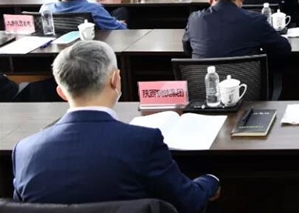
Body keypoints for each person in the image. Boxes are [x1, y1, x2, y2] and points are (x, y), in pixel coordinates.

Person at [11, 41, 220, 212]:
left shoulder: (24, 151)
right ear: (115, 79)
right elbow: (189, 202)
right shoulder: (142, 142)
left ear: (61, 93)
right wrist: (211, 180)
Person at [182, 0, 292, 64]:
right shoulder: (255, 21)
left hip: (204, 82)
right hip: (247, 82)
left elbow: (187, 49)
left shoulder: (194, 19)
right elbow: (283, 49)